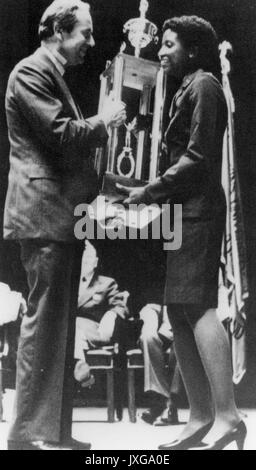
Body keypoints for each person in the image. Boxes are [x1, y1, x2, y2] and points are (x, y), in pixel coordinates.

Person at [117, 16, 246, 450]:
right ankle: (201, 415)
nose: (161, 52)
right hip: (181, 212)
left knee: (199, 305)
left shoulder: (206, 85)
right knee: (176, 310)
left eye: (169, 44)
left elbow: (197, 158)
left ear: (193, 49)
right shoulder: (186, 89)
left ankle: (228, 416)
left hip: (198, 213)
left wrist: (148, 191)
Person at [3, 0, 126, 451]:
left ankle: (52, 431)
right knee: (44, 323)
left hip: (58, 215)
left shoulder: (49, 75)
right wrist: (103, 121)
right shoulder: (31, 72)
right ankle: (28, 435)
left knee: (59, 327)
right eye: (85, 34)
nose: (90, 44)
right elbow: (61, 135)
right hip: (43, 214)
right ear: (57, 30)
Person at [74, 241, 130, 386]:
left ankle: (80, 367)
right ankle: (80, 367)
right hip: (67, 331)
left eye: (88, 258)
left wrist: (111, 315)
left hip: (94, 331)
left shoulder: (106, 283)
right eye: (81, 258)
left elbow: (120, 306)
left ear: (96, 262)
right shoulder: (68, 282)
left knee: (75, 329)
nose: (84, 261)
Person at [139, 304, 181, 426]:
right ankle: (161, 400)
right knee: (148, 337)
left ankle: (171, 403)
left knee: (181, 340)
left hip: (180, 304)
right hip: (152, 305)